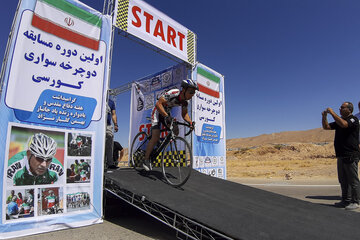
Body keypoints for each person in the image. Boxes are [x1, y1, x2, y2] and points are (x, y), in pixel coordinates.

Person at [143, 79, 198, 171]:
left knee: (175, 130)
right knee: (155, 136)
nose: (192, 95)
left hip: (166, 112)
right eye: (191, 92)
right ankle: (146, 160)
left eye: (194, 93)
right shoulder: (174, 93)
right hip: (157, 111)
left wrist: (190, 122)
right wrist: (166, 116)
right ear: (183, 90)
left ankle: (160, 146)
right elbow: (158, 104)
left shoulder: (185, 102)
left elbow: (184, 114)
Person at [322, 102, 360, 210]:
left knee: (352, 180)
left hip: (350, 154)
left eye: (342, 107)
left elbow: (344, 124)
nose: (340, 108)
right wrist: (324, 116)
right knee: (343, 180)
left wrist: (332, 112)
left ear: (349, 109)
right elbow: (326, 127)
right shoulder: (339, 122)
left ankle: (355, 201)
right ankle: (345, 200)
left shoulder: (353, 120)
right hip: (341, 155)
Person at [105, 97, 119, 169]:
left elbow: (113, 114)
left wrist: (115, 124)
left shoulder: (111, 102)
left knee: (110, 144)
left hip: (107, 125)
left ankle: (110, 163)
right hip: (98, 124)